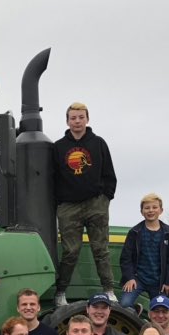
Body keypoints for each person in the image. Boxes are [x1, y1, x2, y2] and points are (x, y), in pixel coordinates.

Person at [52, 102, 117, 305]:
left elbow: (109, 173)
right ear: (67, 121)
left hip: (95, 203)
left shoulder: (98, 143)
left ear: (87, 119)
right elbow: (52, 177)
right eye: (73, 118)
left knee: (101, 248)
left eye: (81, 117)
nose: (77, 121)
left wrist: (106, 197)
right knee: (71, 250)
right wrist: (59, 201)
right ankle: (60, 292)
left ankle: (108, 289)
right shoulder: (58, 147)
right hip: (69, 206)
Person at [118, 193, 169, 310]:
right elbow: (125, 258)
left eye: (154, 207)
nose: (150, 210)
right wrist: (130, 277)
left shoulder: (168, 232)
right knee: (125, 304)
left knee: (163, 310)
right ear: (142, 211)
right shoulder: (134, 232)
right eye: (147, 208)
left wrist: (168, 282)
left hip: (159, 282)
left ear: (161, 210)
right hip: (138, 279)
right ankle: (135, 311)